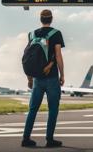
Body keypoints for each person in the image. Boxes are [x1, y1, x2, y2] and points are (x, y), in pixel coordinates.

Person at [21, 9, 65, 148]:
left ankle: (26, 138)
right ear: (51, 19)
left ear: (41, 19)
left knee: (33, 109)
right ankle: (49, 139)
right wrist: (62, 74)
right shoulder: (56, 33)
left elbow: (27, 57)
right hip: (51, 77)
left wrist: (29, 78)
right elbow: (58, 55)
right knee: (53, 109)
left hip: (37, 79)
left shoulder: (32, 34)